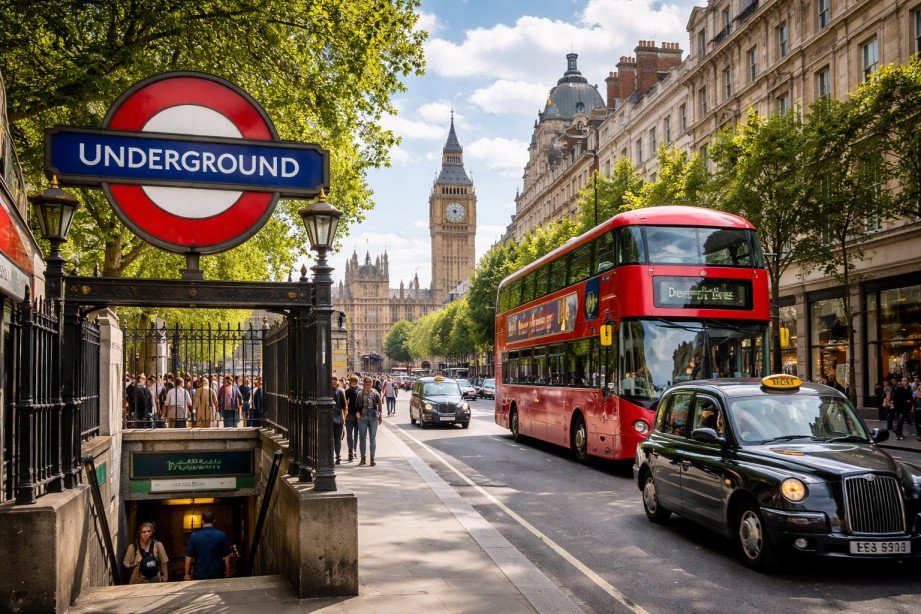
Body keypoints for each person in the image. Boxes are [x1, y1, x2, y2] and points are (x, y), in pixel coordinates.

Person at [184, 510, 232, 581]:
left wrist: (186, 574)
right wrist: (228, 572)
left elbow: (189, 557)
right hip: (218, 573)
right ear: (214, 521)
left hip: (199, 574)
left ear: (202, 521)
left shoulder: (194, 536)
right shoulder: (222, 535)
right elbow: (227, 556)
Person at [356, 376, 383, 466]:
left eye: (370, 383)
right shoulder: (360, 393)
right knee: (362, 438)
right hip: (362, 418)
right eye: (366, 384)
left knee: (372, 438)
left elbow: (379, 404)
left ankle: (372, 458)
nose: (368, 385)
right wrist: (358, 414)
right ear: (364, 384)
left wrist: (380, 416)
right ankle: (363, 458)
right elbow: (357, 405)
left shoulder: (376, 393)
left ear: (372, 384)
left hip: (373, 417)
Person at [344, 375, 361, 462]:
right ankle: (352, 451)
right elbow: (345, 403)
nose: (353, 383)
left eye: (355, 382)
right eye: (352, 382)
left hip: (352, 415)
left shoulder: (350, 391)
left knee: (351, 435)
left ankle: (352, 451)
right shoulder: (350, 391)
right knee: (353, 434)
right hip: (354, 415)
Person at [893, 376, 913, 440]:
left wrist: (909, 401)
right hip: (899, 407)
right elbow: (895, 398)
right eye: (902, 381)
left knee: (900, 421)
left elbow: (910, 399)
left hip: (905, 408)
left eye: (904, 381)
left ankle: (897, 432)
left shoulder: (909, 388)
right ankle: (899, 434)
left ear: (908, 382)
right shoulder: (899, 388)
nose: (903, 382)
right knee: (900, 421)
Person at [331, 376, 346, 464]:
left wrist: (343, 418)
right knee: (336, 439)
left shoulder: (339, 392)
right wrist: (343, 418)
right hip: (338, 418)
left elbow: (344, 406)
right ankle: (337, 456)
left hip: (334, 418)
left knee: (334, 438)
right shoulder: (340, 391)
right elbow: (344, 407)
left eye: (334, 383)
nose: (334, 385)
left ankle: (336, 456)